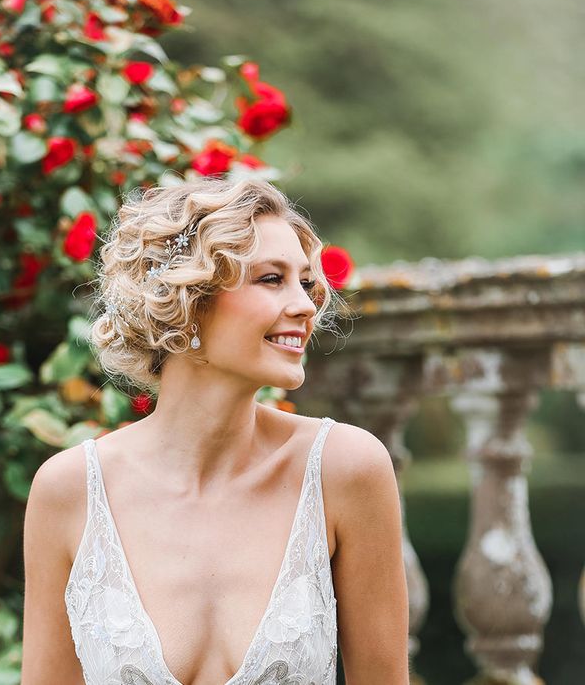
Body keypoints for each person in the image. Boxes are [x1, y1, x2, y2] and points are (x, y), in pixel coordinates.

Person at [21, 176, 409, 684]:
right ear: (187, 298)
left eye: (305, 282)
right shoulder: (69, 491)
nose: (307, 306)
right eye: (272, 279)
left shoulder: (345, 469)